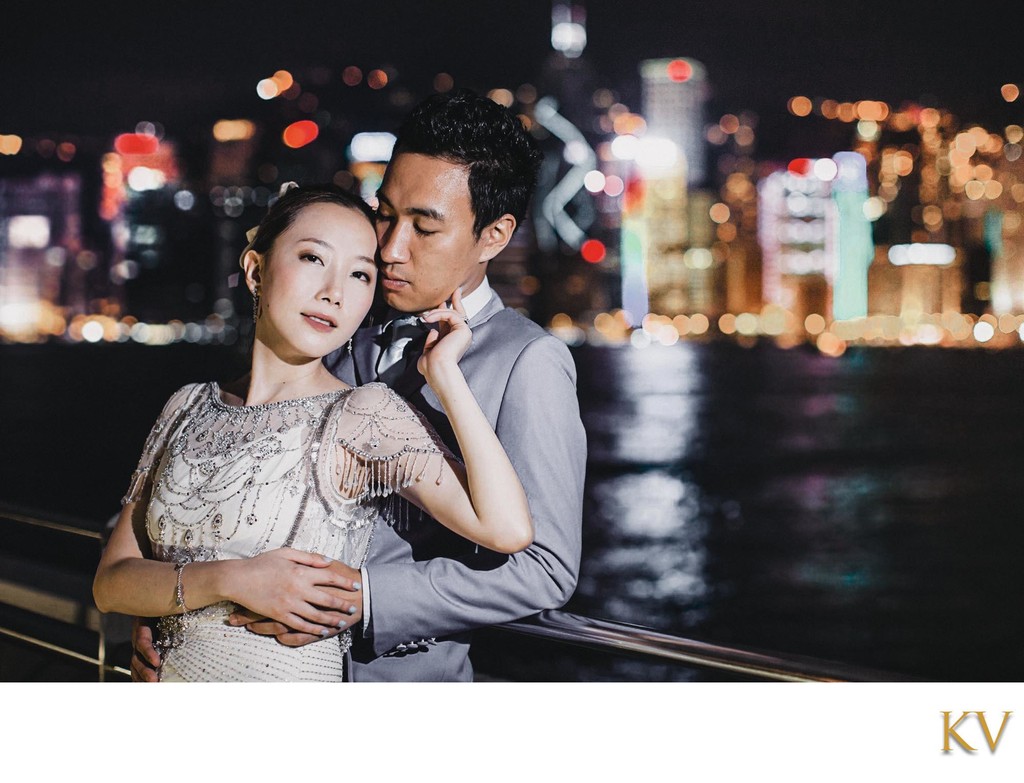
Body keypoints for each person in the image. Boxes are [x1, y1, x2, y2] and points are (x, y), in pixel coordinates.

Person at [132, 88, 588, 682]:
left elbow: (547, 567)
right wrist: (174, 604)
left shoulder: (528, 360)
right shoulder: (342, 328)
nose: (391, 249)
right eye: (386, 214)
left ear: (495, 235)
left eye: (425, 228)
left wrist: (366, 598)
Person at [94, 183, 534, 681]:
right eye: (311, 258)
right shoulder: (188, 403)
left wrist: (447, 376)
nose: (334, 292)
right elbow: (111, 583)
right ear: (256, 270)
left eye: (360, 274)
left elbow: (507, 529)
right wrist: (230, 580)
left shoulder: (362, 414)